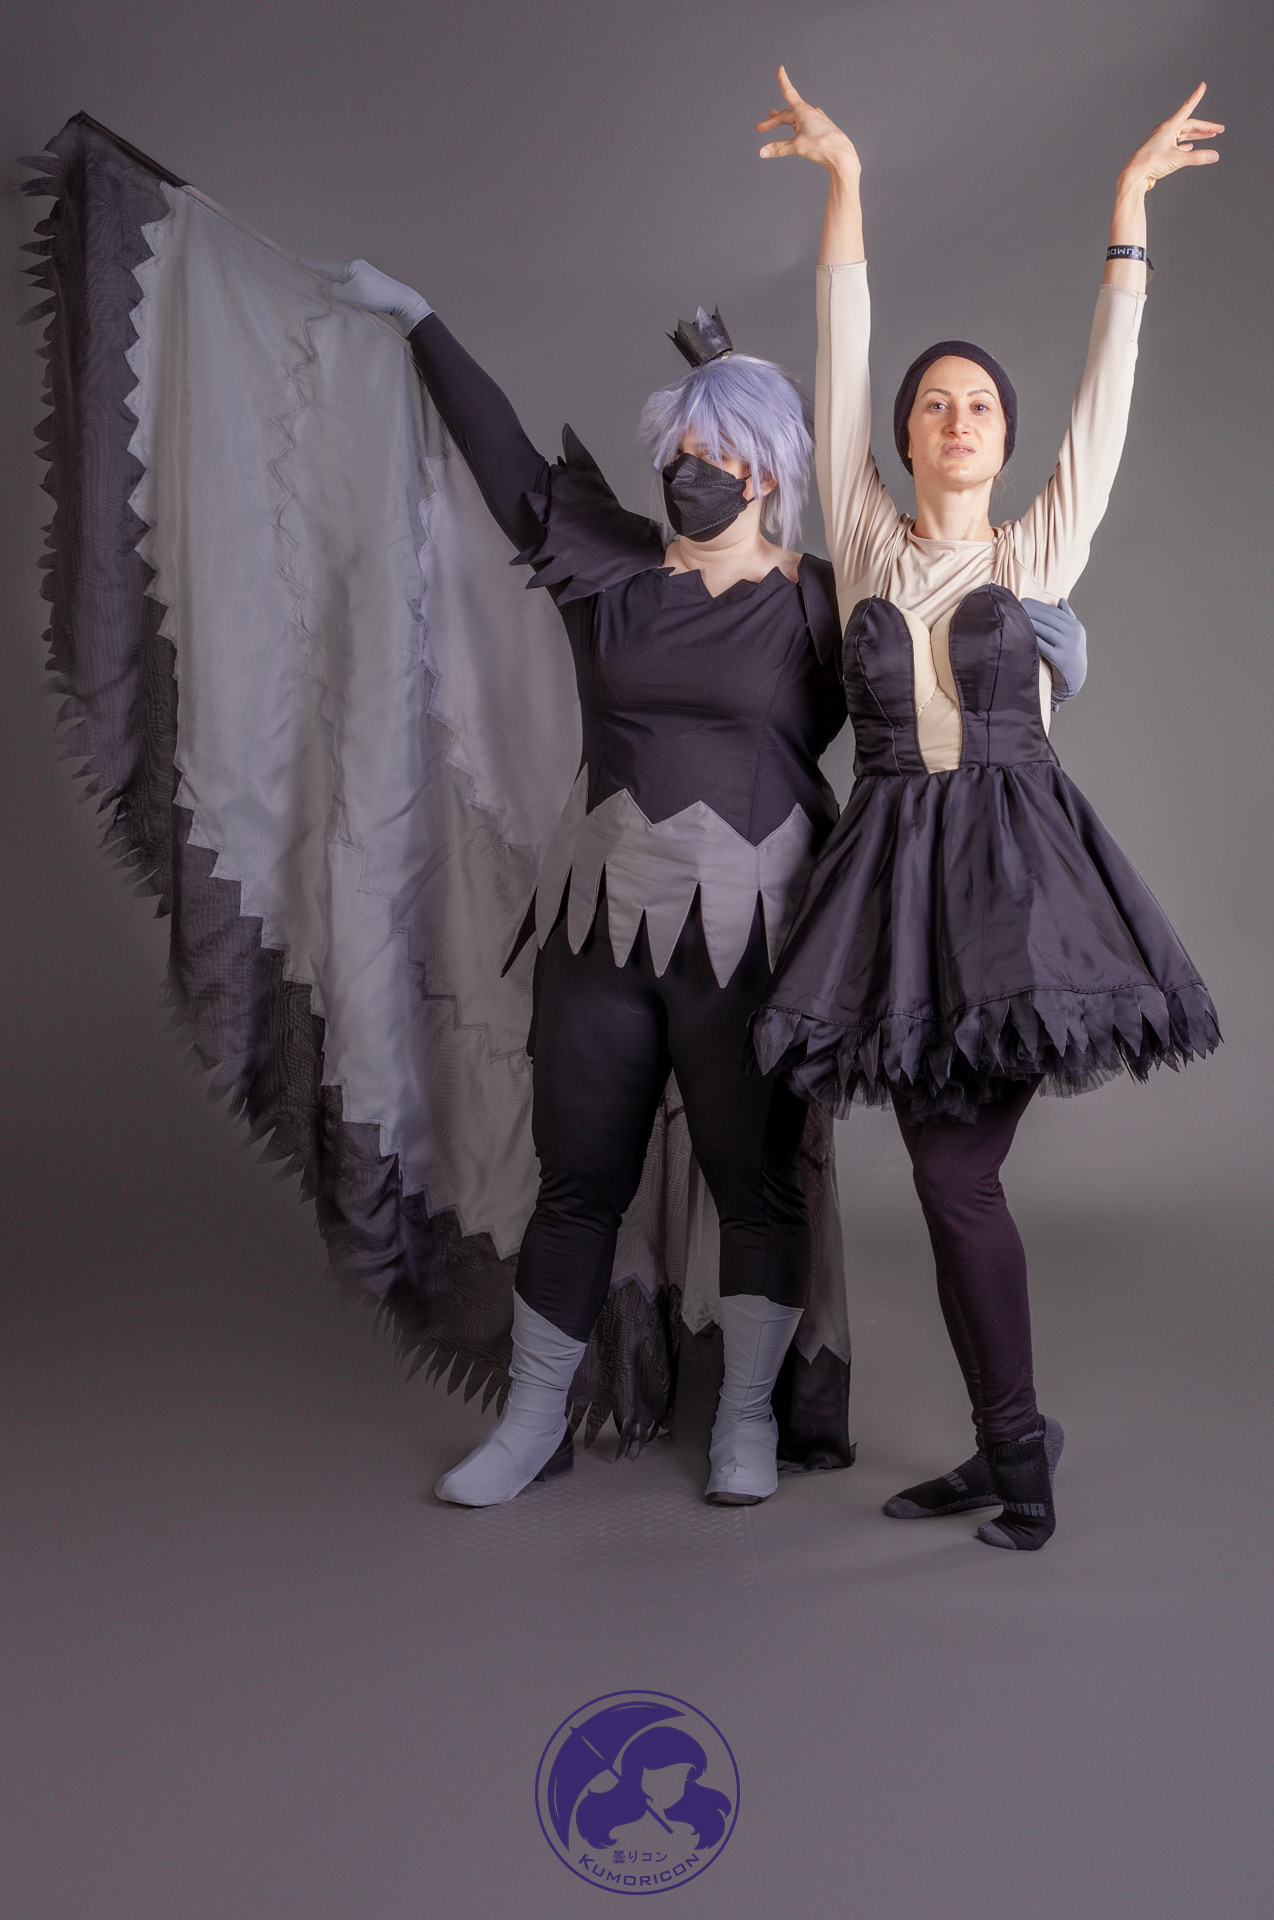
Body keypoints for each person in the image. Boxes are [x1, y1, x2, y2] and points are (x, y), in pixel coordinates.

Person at [320, 252, 1090, 1510]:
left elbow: (948, 683)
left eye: (720, 452)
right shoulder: (607, 573)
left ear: (769, 471)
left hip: (757, 938)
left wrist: (1057, 665)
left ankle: (743, 1419)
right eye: (679, 451)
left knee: (755, 1185)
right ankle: (530, 1423)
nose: (694, 471)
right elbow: (503, 459)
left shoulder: (826, 605)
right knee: (576, 1178)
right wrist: (421, 323)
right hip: (598, 928)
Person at [750, 72, 1223, 1548]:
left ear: (1004, 444)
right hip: (895, 886)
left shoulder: (1034, 551)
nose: (955, 418)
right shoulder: (862, 538)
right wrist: (845, 182)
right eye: (932, 404)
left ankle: (1017, 1452)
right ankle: (1003, 1440)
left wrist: (1126, 216)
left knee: (955, 1179)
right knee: (942, 1179)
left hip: (1018, 890)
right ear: (900, 438)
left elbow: (1107, 396)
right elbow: (837, 354)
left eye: (978, 407)